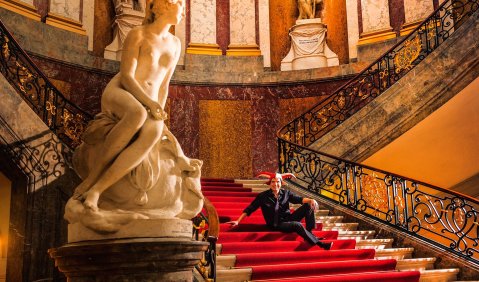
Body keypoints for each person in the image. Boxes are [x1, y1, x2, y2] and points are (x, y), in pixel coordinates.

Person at [72, 0, 188, 211]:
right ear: (163, 6)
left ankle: (96, 190)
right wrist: (149, 103)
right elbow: (126, 76)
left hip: (150, 102)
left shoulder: (175, 43)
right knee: (136, 114)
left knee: (154, 130)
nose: (184, 10)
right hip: (122, 92)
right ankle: (91, 178)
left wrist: (158, 111)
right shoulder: (139, 34)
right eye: (180, 3)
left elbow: (164, 85)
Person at [227, 172, 333, 250]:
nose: (275, 184)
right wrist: (238, 221)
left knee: (308, 206)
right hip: (276, 224)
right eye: (273, 182)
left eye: (277, 182)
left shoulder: (286, 193)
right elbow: (250, 209)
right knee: (297, 225)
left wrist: (311, 200)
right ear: (269, 183)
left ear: (281, 183)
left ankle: (309, 234)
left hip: (288, 219)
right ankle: (320, 244)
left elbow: (299, 199)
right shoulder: (263, 196)